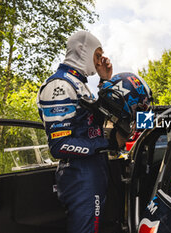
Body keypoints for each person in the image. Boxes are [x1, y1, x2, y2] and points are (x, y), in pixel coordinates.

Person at [37, 31, 152, 233]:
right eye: (98, 55)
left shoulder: (77, 84)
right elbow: (59, 146)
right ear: (83, 51)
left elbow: (91, 124)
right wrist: (105, 144)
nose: (101, 60)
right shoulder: (60, 86)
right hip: (80, 176)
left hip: (91, 172)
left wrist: (104, 79)